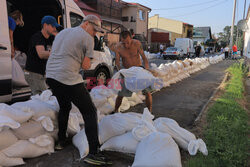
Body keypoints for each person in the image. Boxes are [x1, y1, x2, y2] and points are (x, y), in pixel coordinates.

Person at [46, 15, 112, 166]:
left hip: (51, 76)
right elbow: (86, 66)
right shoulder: (88, 38)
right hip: (68, 77)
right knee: (89, 111)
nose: (95, 33)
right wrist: (89, 58)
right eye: (94, 29)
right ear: (86, 23)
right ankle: (94, 153)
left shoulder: (63, 32)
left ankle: (61, 141)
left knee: (65, 106)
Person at [114, 31, 152, 113]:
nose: (126, 45)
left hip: (139, 70)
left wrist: (147, 69)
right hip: (127, 72)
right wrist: (121, 72)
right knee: (121, 94)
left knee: (147, 92)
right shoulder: (118, 47)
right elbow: (117, 62)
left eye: (127, 42)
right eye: (123, 43)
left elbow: (144, 58)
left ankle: (149, 112)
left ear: (131, 38)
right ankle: (116, 110)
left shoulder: (137, 44)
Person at [25, 16, 59, 95]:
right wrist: (57, 52)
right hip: (33, 73)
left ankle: (30, 106)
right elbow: (41, 54)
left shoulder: (50, 38)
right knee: (45, 96)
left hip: (40, 73)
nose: (54, 29)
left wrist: (58, 36)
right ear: (45, 25)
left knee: (38, 97)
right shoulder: (38, 37)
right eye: (53, 26)